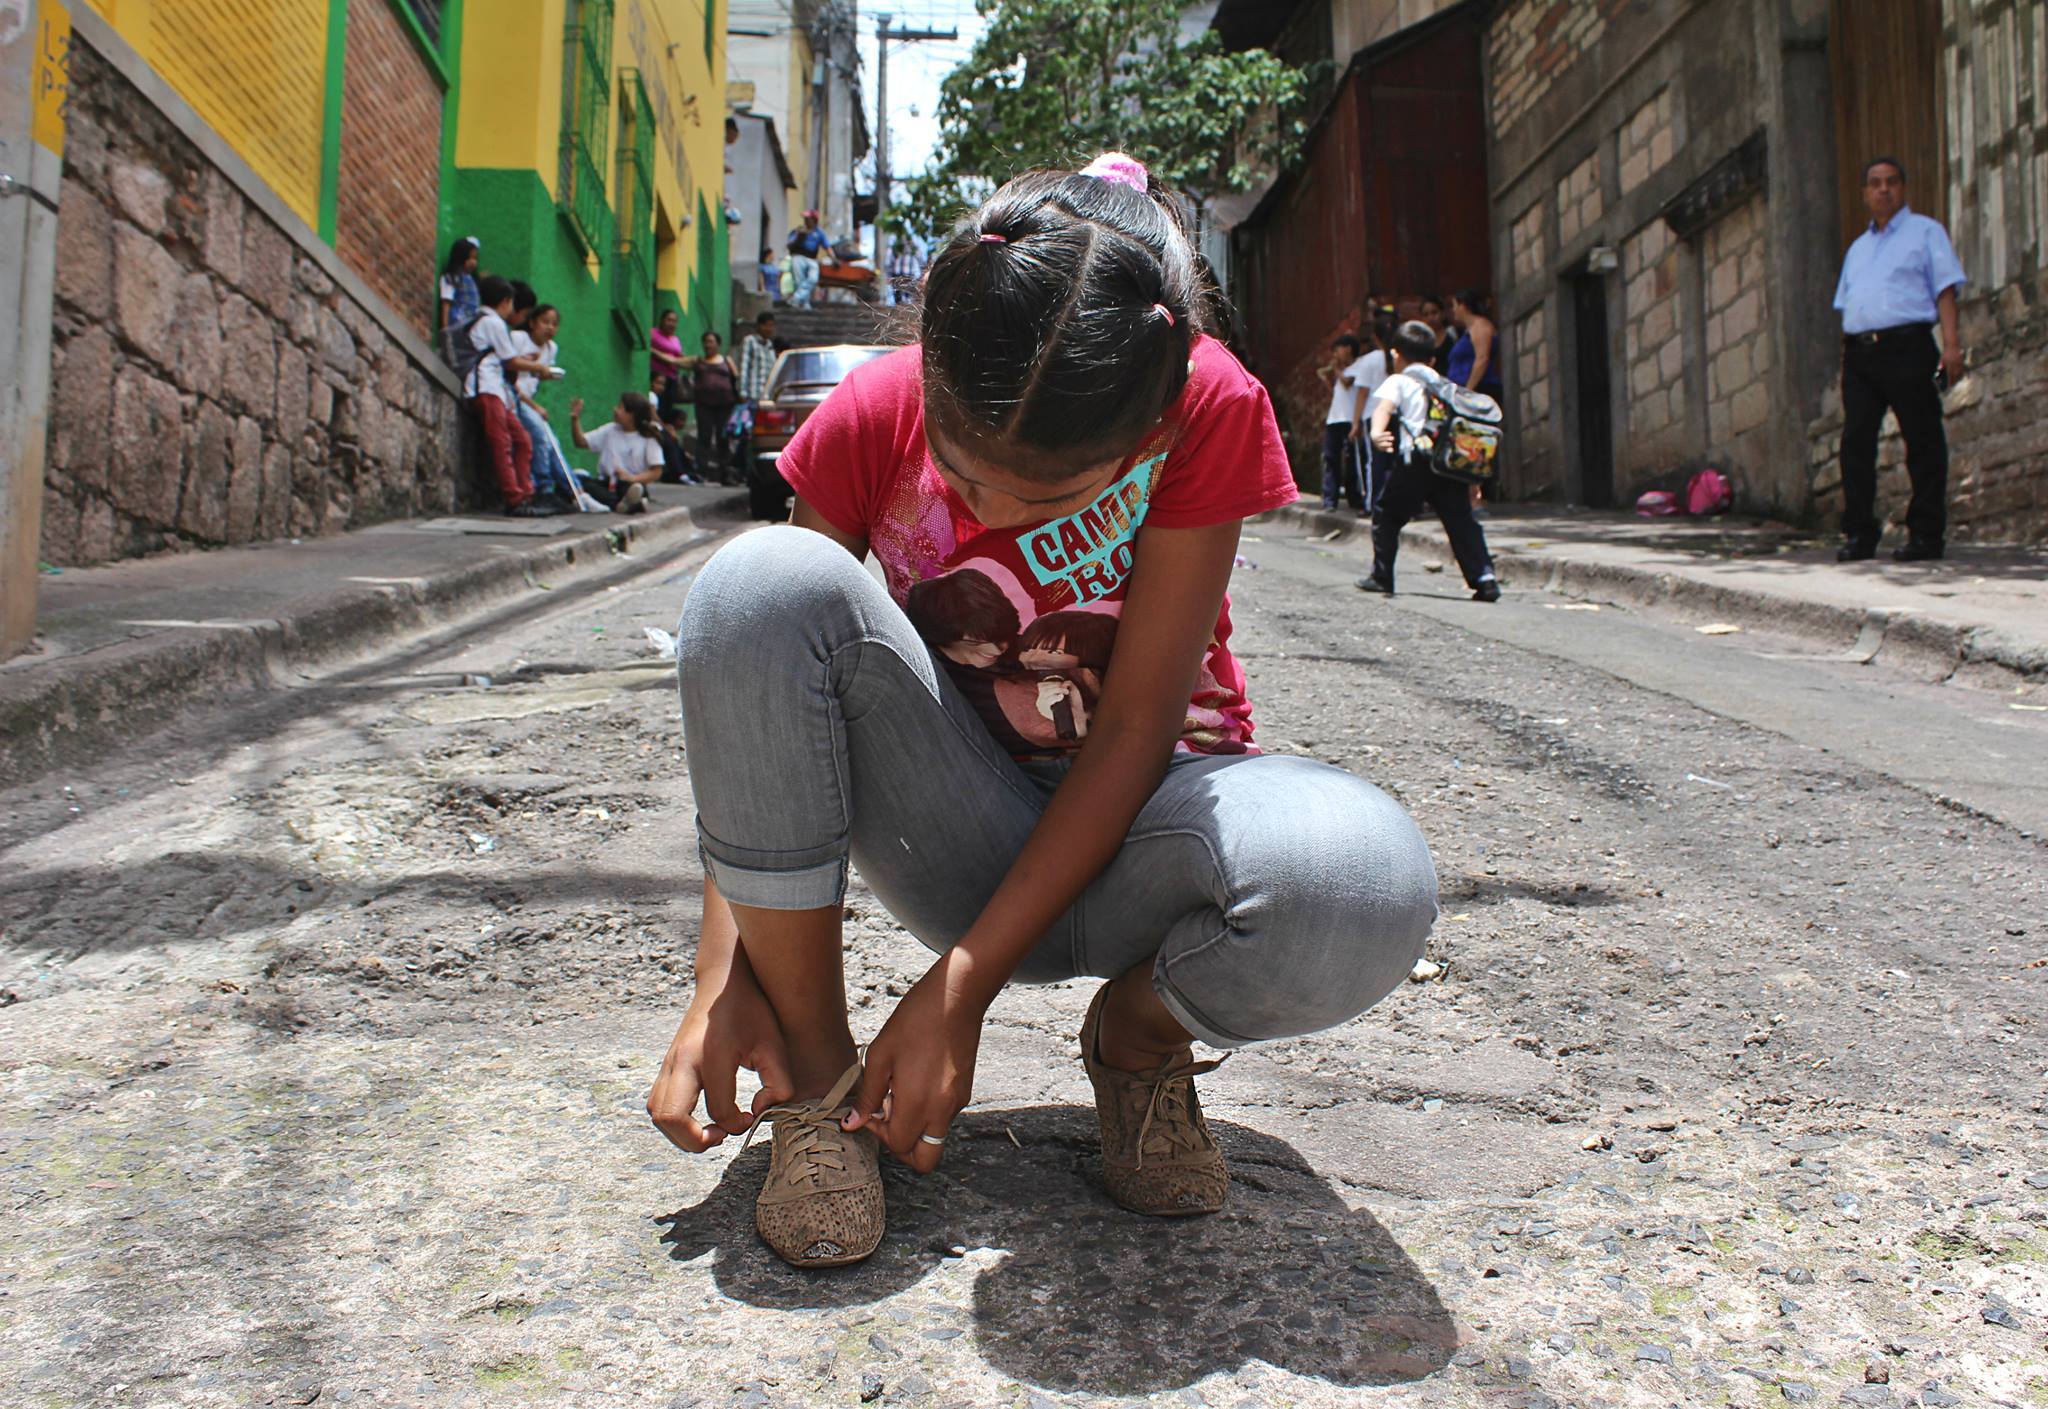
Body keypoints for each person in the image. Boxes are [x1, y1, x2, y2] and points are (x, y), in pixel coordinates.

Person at [646, 152, 1441, 1271]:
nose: (989, 513)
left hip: (1141, 834)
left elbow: (1128, 736)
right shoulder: (874, 412)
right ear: (925, 369)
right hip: (954, 825)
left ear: (1148, 431)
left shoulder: (1203, 402)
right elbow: (760, 704)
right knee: (753, 583)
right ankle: (819, 1087)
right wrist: (722, 981)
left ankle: (1138, 1039)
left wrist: (957, 993)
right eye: (965, 481)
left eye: (1044, 499)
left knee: (1360, 878)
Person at [1832, 156, 1967, 562]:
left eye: (1891, 182)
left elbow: (1945, 290)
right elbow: (1848, 304)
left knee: (1922, 438)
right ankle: (1859, 534)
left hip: (1908, 347)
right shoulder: (1857, 249)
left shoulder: (1925, 232)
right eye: (1875, 183)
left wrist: (1951, 345)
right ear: (1865, 193)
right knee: (1855, 442)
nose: (1883, 189)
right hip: (1860, 353)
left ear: (1902, 188)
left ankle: (1926, 535)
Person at [1354, 320, 1500, 602]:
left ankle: (1382, 576)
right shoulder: (1444, 384)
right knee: (1461, 521)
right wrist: (1472, 478)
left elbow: (1384, 407)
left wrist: (1376, 433)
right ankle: (1485, 579)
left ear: (1396, 355)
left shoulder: (1399, 380)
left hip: (1416, 461)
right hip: (1447, 464)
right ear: (1432, 359)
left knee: (1387, 514)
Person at [463, 275, 555, 516]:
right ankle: (515, 499)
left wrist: (526, 363)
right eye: (512, 304)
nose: (514, 310)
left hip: (497, 391)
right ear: (504, 302)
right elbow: (509, 361)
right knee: (502, 442)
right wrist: (539, 368)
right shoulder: (493, 323)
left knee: (523, 441)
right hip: (486, 388)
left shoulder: (484, 320)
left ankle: (526, 493)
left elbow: (502, 358)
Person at [510, 304, 579, 508]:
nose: (549, 328)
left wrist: (545, 375)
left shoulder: (551, 349)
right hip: (514, 399)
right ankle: (543, 488)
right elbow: (510, 377)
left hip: (528, 400)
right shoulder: (518, 339)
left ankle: (574, 490)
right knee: (540, 435)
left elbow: (534, 377)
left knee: (552, 443)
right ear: (532, 323)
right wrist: (535, 407)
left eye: (554, 324)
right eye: (545, 322)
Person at [568, 393, 666, 514]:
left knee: (632, 489)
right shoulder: (610, 430)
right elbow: (581, 442)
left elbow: (656, 472)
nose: (615, 410)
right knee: (576, 479)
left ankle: (623, 501)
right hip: (606, 483)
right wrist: (575, 419)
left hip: (629, 483)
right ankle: (626, 504)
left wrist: (631, 478)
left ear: (631, 415)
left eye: (620, 407)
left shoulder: (648, 437)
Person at [1348, 310, 1398, 514]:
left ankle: (1373, 503)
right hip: (1396, 413)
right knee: (1395, 461)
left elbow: (1362, 394)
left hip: (1373, 415)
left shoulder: (1368, 360)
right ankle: (1396, 504)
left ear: (1375, 337)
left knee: (1374, 462)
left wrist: (1355, 422)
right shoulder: (1398, 358)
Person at [1315, 334, 1373, 512]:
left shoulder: (1359, 366)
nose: (1335, 354)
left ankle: (1355, 498)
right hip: (1335, 418)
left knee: (1352, 460)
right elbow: (1339, 391)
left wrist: (1336, 370)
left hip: (1349, 419)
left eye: (1337, 349)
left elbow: (1348, 383)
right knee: (1330, 458)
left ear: (1348, 349)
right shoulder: (1343, 370)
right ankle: (1329, 499)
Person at [682, 331, 740, 484]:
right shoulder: (698, 361)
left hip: (725, 405)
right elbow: (676, 361)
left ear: (718, 344)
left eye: (711, 341)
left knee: (723, 438)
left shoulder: (727, 361)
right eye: (705, 341)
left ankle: (725, 474)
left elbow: (736, 377)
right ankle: (700, 472)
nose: (708, 344)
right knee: (704, 437)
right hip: (704, 404)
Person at [1446, 290, 1502, 397]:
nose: (1453, 310)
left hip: (1479, 389)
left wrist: (1468, 390)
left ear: (1462, 305)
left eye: (1454, 306)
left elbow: (1482, 358)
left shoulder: (1480, 326)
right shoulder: (1469, 330)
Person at [786, 210, 836, 308]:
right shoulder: (798, 231)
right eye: (805, 219)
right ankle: (804, 304)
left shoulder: (819, 233)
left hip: (811, 258)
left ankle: (796, 298)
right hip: (798, 256)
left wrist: (834, 259)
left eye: (808, 219)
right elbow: (789, 245)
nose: (806, 221)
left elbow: (827, 247)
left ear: (814, 220)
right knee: (799, 281)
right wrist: (799, 238)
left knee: (813, 279)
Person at [436, 237, 480, 332]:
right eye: (470, 258)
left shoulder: (471, 279)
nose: (473, 262)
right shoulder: (451, 278)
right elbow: (446, 303)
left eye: (475, 258)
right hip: (457, 323)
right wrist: (445, 330)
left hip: (469, 326)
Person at [649, 309, 688, 398]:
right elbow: (649, 350)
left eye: (674, 321)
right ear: (662, 320)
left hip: (672, 378)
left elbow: (679, 356)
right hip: (657, 379)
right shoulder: (653, 333)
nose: (671, 324)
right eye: (669, 320)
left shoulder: (675, 339)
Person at [1419, 294, 1458, 376]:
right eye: (1426, 314)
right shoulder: (1420, 341)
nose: (1430, 318)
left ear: (1443, 314)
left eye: (1434, 312)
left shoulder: (1453, 335)